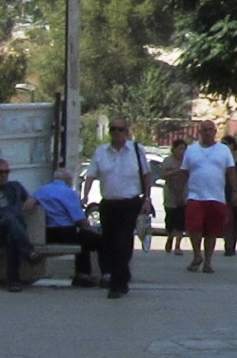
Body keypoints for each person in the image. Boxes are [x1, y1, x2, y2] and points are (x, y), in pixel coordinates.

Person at [82, 116, 152, 299]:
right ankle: (123, 275)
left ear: (126, 131)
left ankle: (116, 284)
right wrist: (85, 195)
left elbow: (146, 176)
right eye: (113, 129)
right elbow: (91, 175)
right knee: (110, 243)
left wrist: (147, 199)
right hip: (109, 204)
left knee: (122, 242)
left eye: (120, 129)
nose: (116, 133)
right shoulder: (101, 152)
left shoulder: (136, 150)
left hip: (130, 203)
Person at [179, 120, 237, 273]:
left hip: (216, 197)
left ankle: (208, 262)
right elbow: (184, 172)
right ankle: (197, 255)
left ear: (215, 132)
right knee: (194, 227)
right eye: (204, 130)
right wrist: (180, 191)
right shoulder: (191, 150)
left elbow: (231, 171)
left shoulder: (223, 150)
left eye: (210, 130)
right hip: (195, 196)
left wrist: (235, 191)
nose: (207, 133)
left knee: (212, 231)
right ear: (199, 132)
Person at [30, 168, 109, 288]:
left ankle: (83, 275)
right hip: (65, 232)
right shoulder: (69, 193)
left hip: (48, 234)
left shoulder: (41, 190)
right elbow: (79, 219)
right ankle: (106, 276)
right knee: (101, 241)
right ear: (67, 180)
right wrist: (90, 229)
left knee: (84, 240)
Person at [0, 159, 43, 292]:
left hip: (14, 230)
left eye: (7, 172)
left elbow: (30, 198)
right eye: (0, 172)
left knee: (12, 238)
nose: (4, 175)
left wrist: (31, 200)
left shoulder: (15, 186)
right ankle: (29, 252)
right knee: (10, 220)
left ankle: (14, 282)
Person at [161, 139, 188, 255]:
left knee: (181, 221)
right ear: (173, 149)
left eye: (184, 149)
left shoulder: (187, 162)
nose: (182, 151)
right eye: (180, 148)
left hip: (184, 194)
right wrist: (175, 171)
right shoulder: (168, 161)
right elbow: (162, 175)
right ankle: (170, 236)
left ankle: (178, 245)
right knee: (170, 219)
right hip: (170, 195)